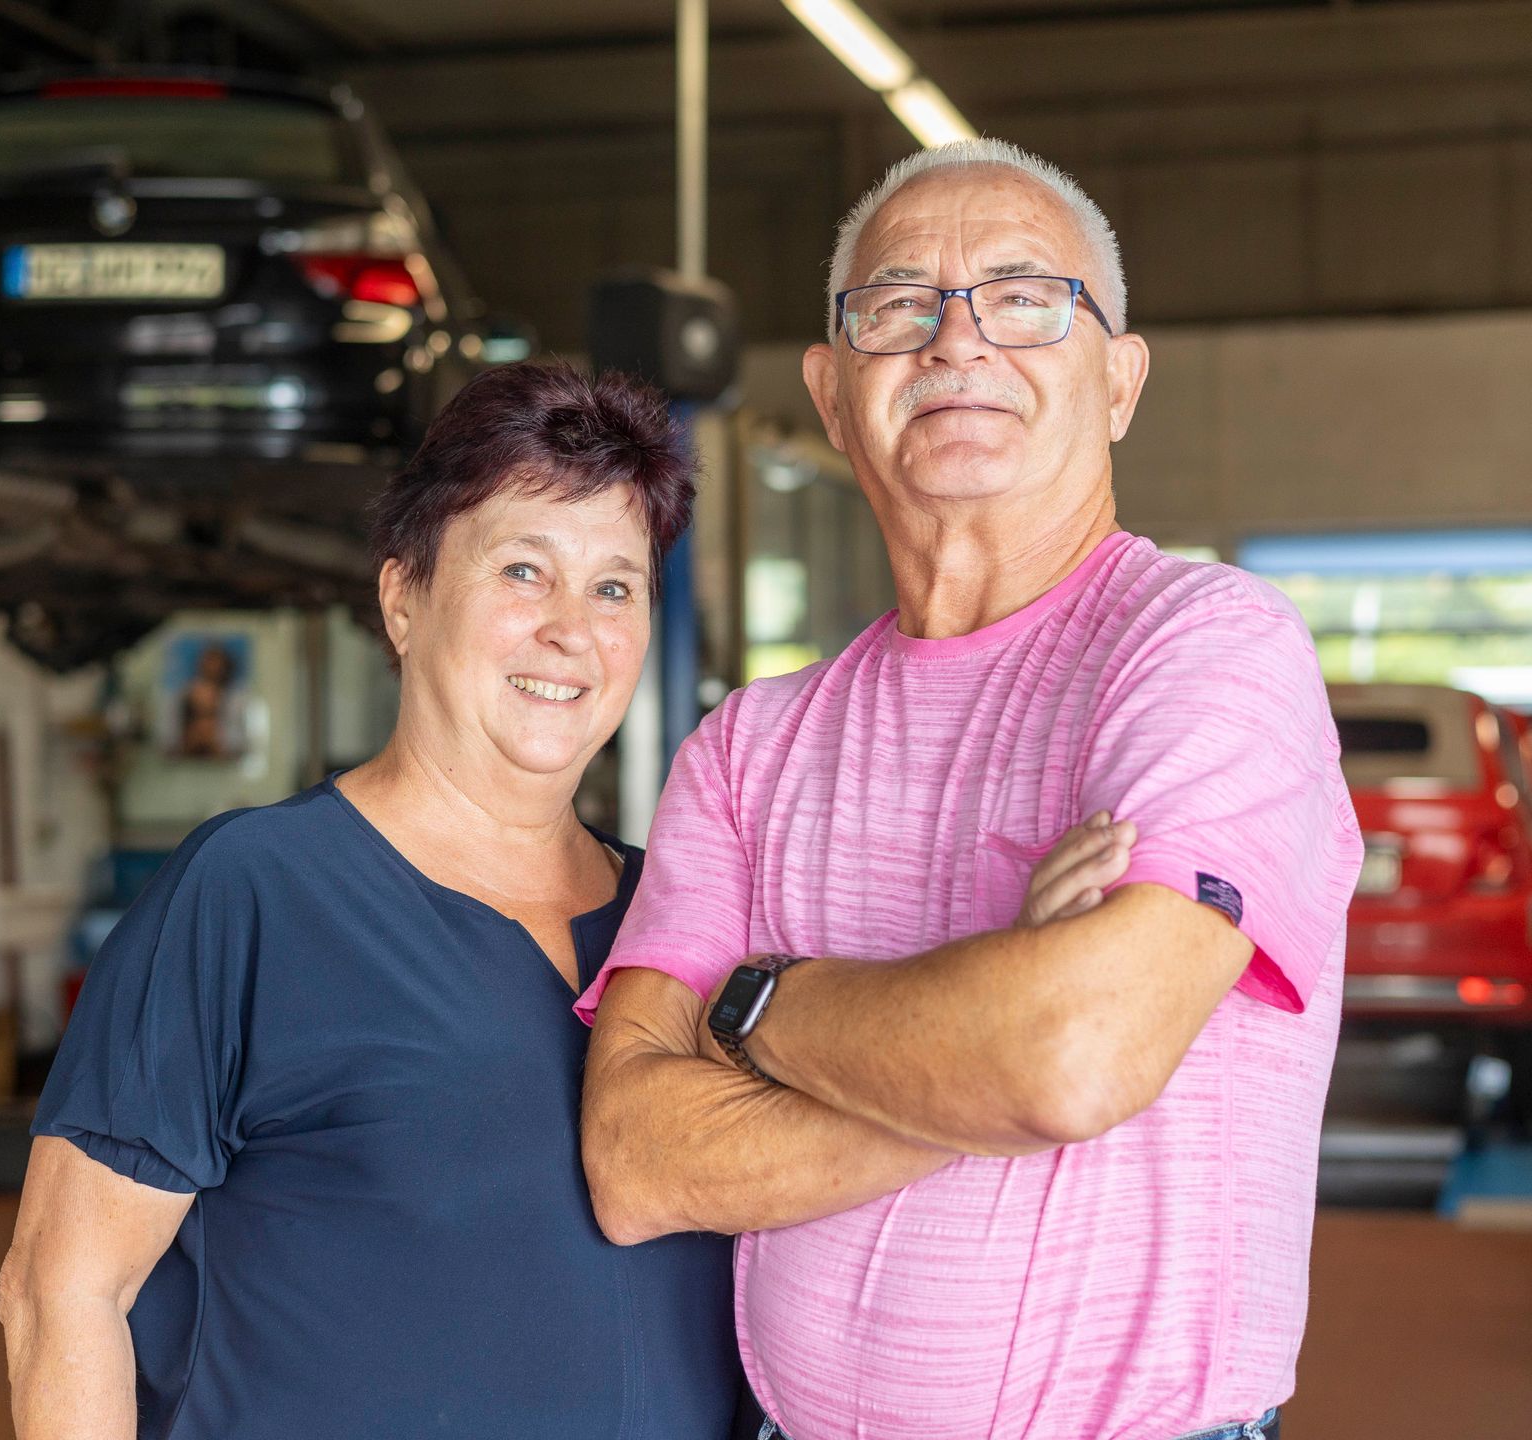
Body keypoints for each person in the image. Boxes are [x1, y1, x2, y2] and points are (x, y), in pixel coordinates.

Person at [577, 138, 1364, 1440]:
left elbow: (1070, 1054)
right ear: (832, 394)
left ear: (1120, 379)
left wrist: (757, 1006)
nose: (958, 343)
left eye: (1024, 298)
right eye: (898, 305)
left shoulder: (1209, 649)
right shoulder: (749, 745)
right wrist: (991, 1011)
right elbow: (636, 1158)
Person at [0, 362, 745, 1439]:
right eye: (523, 571)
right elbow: (60, 1292)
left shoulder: (682, 916)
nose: (571, 629)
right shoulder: (253, 894)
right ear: (403, 599)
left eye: (614, 585)